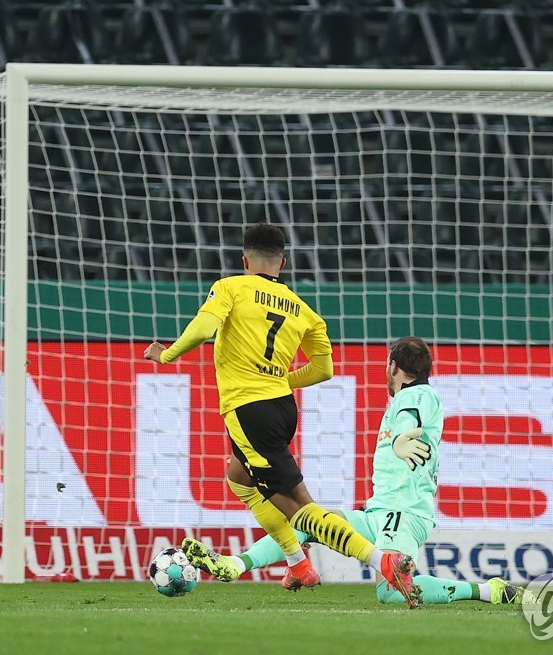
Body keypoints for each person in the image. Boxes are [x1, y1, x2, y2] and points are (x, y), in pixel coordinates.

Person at [144, 223, 419, 607]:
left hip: (249, 411)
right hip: (282, 407)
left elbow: (205, 328)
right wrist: (280, 378)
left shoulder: (231, 287)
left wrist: (167, 354)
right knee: (239, 477)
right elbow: (323, 369)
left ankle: (382, 560)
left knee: (299, 505)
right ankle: (297, 563)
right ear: (283, 263)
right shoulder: (305, 312)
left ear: (245, 260)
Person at [192, 337, 523, 606]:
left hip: (403, 513)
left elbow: (411, 419)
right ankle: (234, 565)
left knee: (391, 592)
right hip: (380, 509)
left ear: (394, 366)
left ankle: (487, 590)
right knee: (310, 520)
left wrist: (401, 439)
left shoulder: (420, 395)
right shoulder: (410, 398)